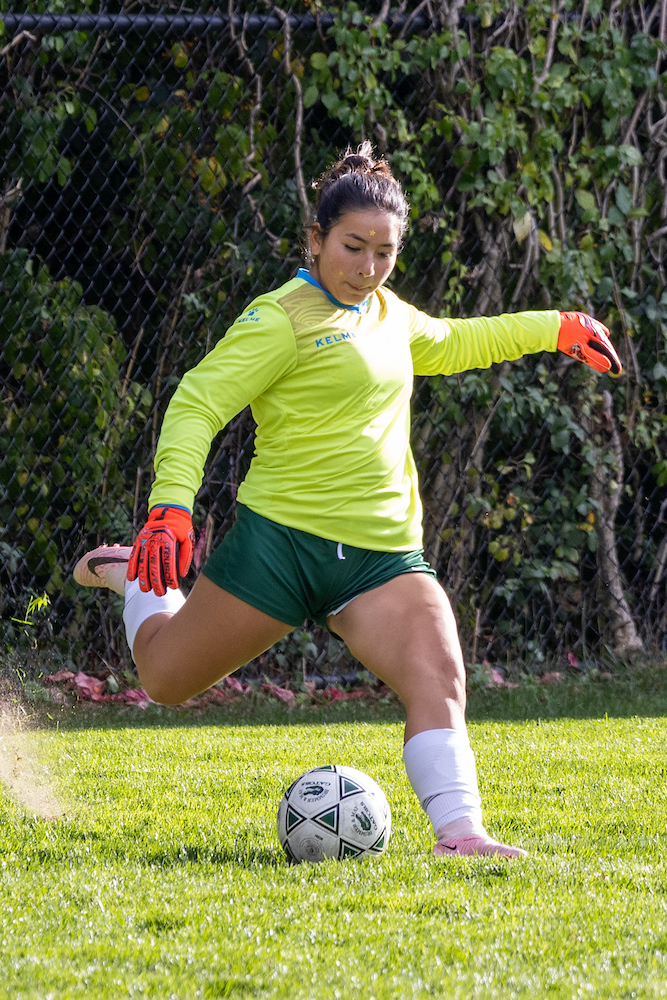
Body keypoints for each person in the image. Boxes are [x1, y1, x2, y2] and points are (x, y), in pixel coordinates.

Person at [74, 142, 622, 859]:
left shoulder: (389, 314)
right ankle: (134, 581)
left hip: (379, 555)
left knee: (439, 673)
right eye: (352, 247)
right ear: (316, 241)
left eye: (384, 253)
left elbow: (456, 340)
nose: (366, 268)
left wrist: (554, 326)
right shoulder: (279, 319)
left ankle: (460, 836)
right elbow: (197, 403)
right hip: (281, 547)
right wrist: (170, 505)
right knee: (164, 680)